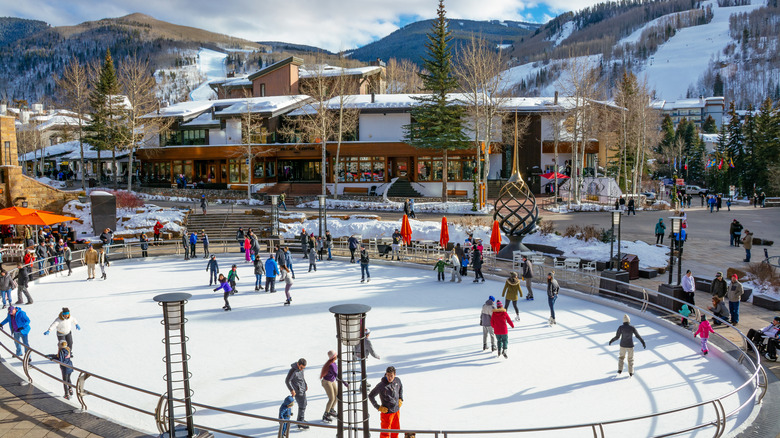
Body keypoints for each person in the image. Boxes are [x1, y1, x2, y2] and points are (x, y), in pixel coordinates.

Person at [369, 366, 403, 438]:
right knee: (385, 434)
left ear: (395, 375)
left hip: (396, 412)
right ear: (386, 374)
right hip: (387, 414)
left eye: (391, 376)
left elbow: (401, 388)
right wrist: (378, 407)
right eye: (388, 375)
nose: (389, 377)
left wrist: (401, 398)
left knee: (396, 431)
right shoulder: (381, 385)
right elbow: (371, 396)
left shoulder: (397, 381)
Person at [320, 350, 347, 423]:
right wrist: (345, 383)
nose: (337, 356)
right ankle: (326, 414)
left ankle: (331, 410)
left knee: (337, 395)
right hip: (327, 382)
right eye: (336, 355)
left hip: (331, 381)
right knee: (331, 398)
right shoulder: (331, 365)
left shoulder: (333, 363)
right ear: (333, 357)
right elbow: (337, 375)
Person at [285, 358, 309, 430]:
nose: (302, 369)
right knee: (302, 404)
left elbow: (302, 378)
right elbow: (287, 381)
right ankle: (300, 422)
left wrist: (305, 384)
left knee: (304, 404)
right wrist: (292, 390)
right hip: (297, 391)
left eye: (303, 368)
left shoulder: (301, 369)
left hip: (302, 389)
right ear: (298, 364)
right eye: (301, 367)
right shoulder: (293, 371)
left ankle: (300, 420)